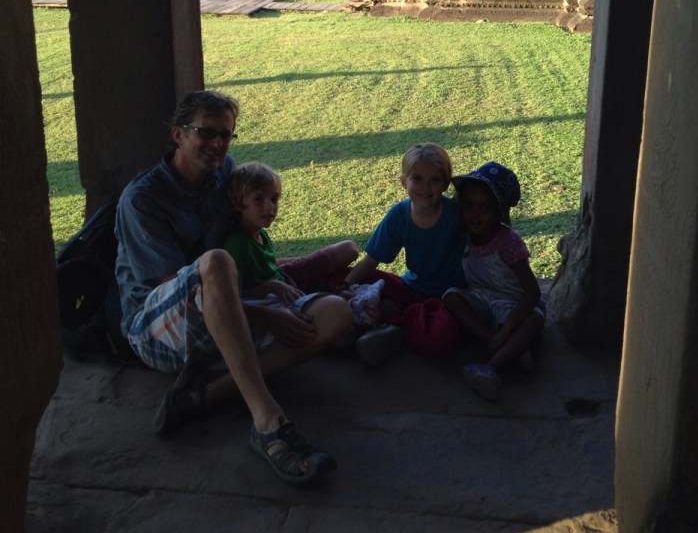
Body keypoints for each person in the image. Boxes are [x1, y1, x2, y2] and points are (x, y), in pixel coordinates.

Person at [114, 90, 349, 485]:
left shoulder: (225, 174)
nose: (218, 144)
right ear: (178, 135)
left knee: (336, 313)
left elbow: (243, 247)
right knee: (217, 261)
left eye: (226, 135)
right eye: (207, 133)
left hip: (226, 310)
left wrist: (270, 285)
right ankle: (268, 423)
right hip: (157, 327)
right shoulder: (143, 199)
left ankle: (202, 397)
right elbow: (180, 284)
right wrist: (261, 311)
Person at [223, 161, 399, 362]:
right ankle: (370, 327)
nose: (269, 207)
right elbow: (230, 297)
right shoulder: (237, 244)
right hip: (272, 303)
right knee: (344, 332)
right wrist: (271, 286)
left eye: (274, 198)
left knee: (347, 251)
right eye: (258, 200)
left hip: (287, 287)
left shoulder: (259, 234)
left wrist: (305, 265)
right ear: (238, 203)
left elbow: (269, 265)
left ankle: (360, 315)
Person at [342, 142, 465, 357]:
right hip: (411, 287)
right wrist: (343, 287)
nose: (426, 188)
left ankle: (393, 325)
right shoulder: (399, 214)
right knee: (341, 276)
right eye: (417, 178)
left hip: (448, 297)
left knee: (443, 336)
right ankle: (401, 320)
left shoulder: (456, 215)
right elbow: (371, 260)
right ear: (403, 182)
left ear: (446, 184)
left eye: (434, 180)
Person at [443, 162, 546, 401]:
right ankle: (501, 343)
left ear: (499, 212)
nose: (474, 214)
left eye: (485, 208)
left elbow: (532, 292)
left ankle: (491, 366)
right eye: (468, 205)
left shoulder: (508, 242)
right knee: (451, 297)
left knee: (535, 318)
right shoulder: (464, 235)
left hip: (512, 305)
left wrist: (510, 325)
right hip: (480, 299)